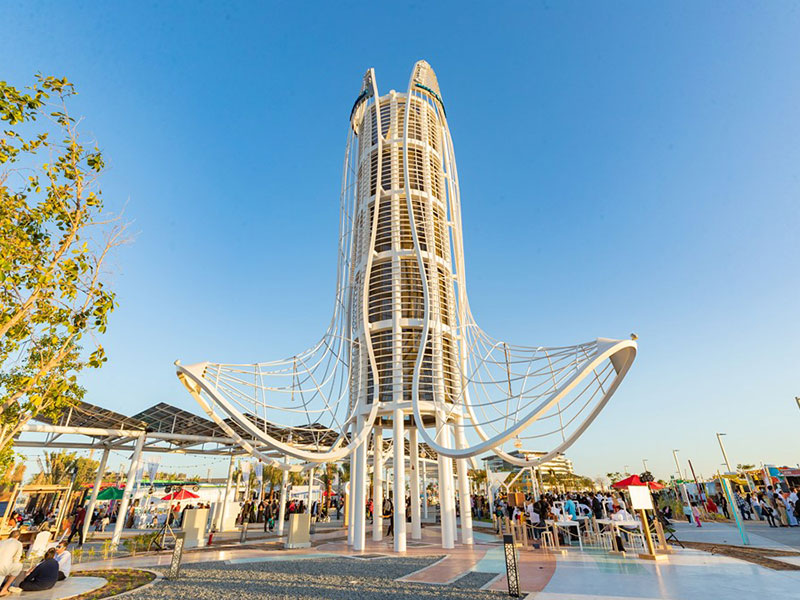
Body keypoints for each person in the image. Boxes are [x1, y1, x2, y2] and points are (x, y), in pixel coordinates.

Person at [0, 530, 24, 597]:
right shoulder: (19, 544)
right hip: (3, 568)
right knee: (19, 566)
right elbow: (16, 559)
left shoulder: (2, 542)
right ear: (18, 536)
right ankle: (4, 590)